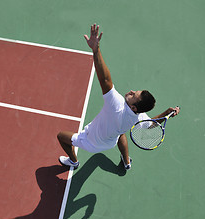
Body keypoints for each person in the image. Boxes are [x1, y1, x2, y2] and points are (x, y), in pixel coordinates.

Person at [57, 24, 180, 170]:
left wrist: (96, 50)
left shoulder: (116, 105)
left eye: (134, 95)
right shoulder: (138, 116)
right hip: (111, 141)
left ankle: (73, 161)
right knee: (122, 134)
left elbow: (105, 80)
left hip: (90, 142)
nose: (131, 91)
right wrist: (167, 113)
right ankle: (126, 161)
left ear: (134, 106)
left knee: (61, 136)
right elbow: (152, 124)